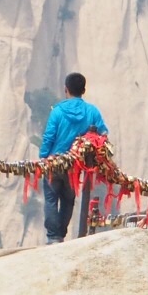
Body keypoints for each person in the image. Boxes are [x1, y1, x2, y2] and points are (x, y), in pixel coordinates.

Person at [40, 72, 111, 243]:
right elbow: (103, 134)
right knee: (68, 200)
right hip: (75, 166)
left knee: (51, 199)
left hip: (53, 163)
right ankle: (61, 235)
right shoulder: (92, 111)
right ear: (83, 90)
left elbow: (49, 137)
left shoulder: (57, 112)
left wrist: (43, 157)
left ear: (66, 89)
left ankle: (53, 237)